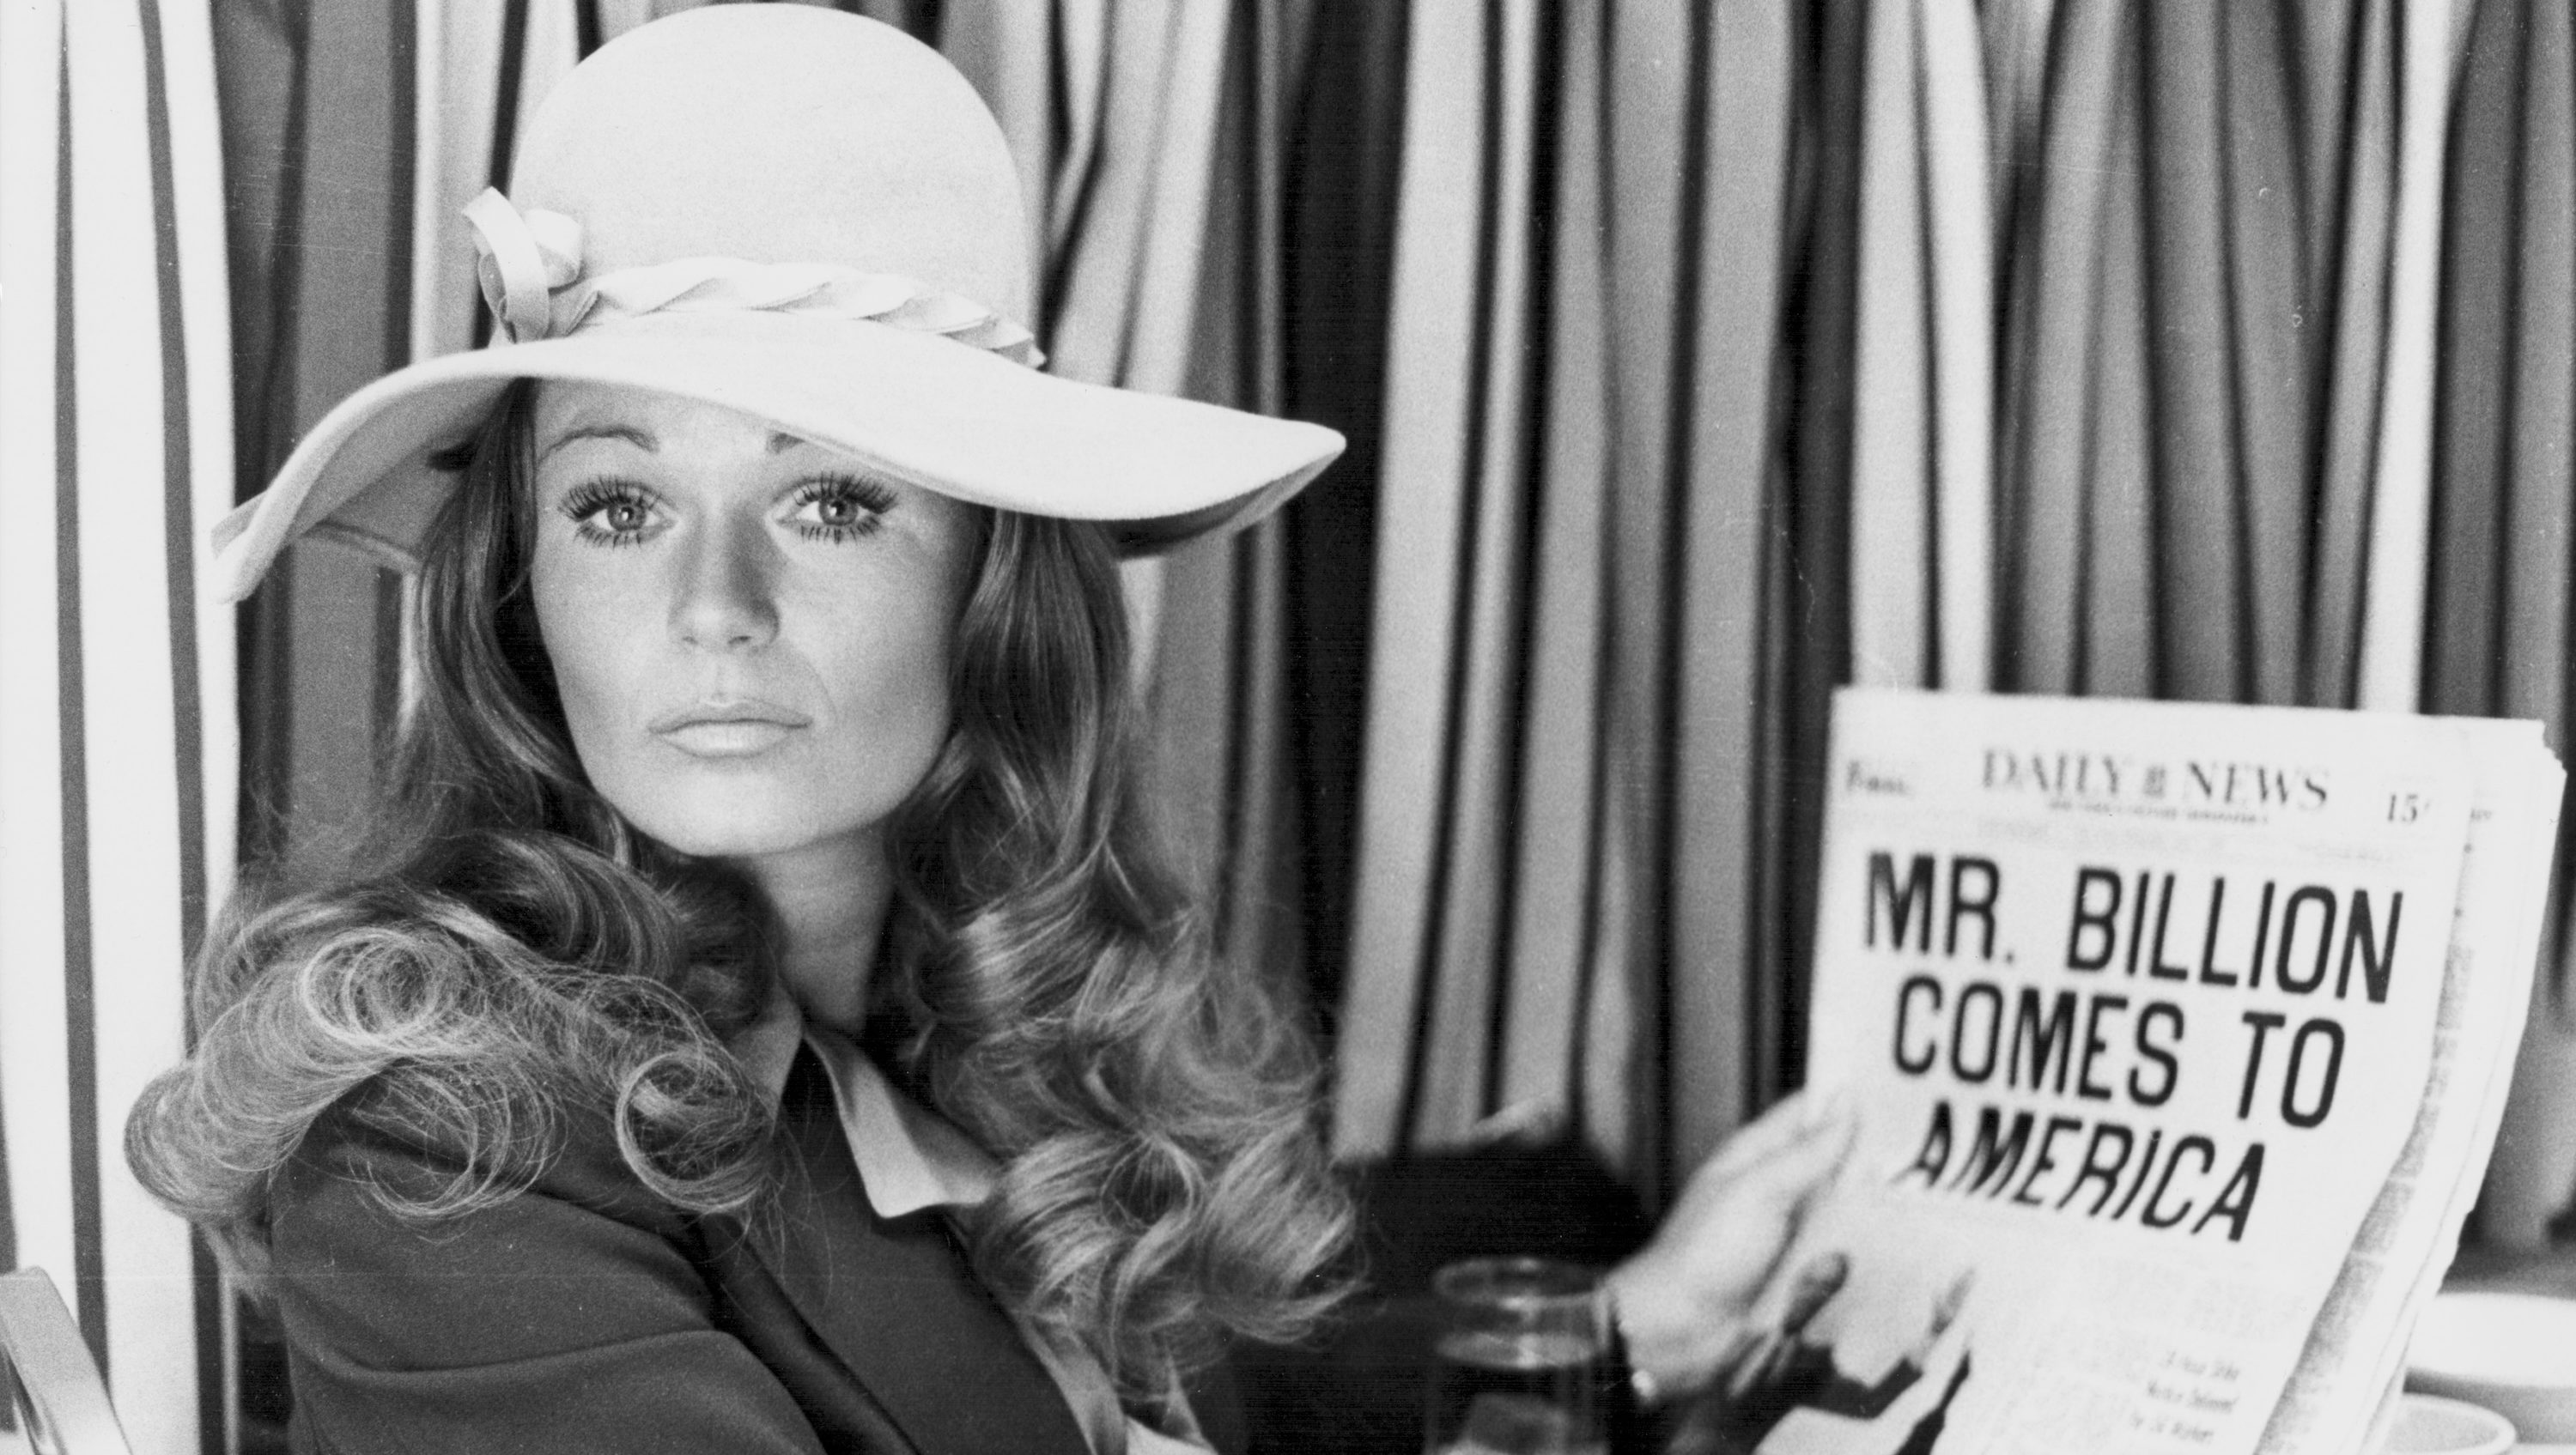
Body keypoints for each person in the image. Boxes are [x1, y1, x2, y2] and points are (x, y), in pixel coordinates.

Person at [125, 9, 1852, 1453]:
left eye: (831, 501)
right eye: (619, 507)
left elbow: (1186, 1401)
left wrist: (1628, 1332)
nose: (715, 607)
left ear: (994, 583)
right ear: (520, 589)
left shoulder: (961, 1016)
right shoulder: (444, 1135)